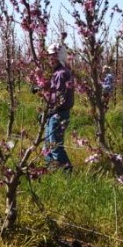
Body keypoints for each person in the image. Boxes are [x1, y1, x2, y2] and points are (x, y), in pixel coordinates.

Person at [44, 42, 74, 171]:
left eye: (54, 56)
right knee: (47, 146)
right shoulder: (58, 72)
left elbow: (58, 98)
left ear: (60, 56)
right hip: (54, 113)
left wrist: (45, 93)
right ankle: (51, 170)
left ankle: (67, 172)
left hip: (58, 114)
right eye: (50, 56)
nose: (51, 59)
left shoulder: (61, 74)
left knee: (55, 145)